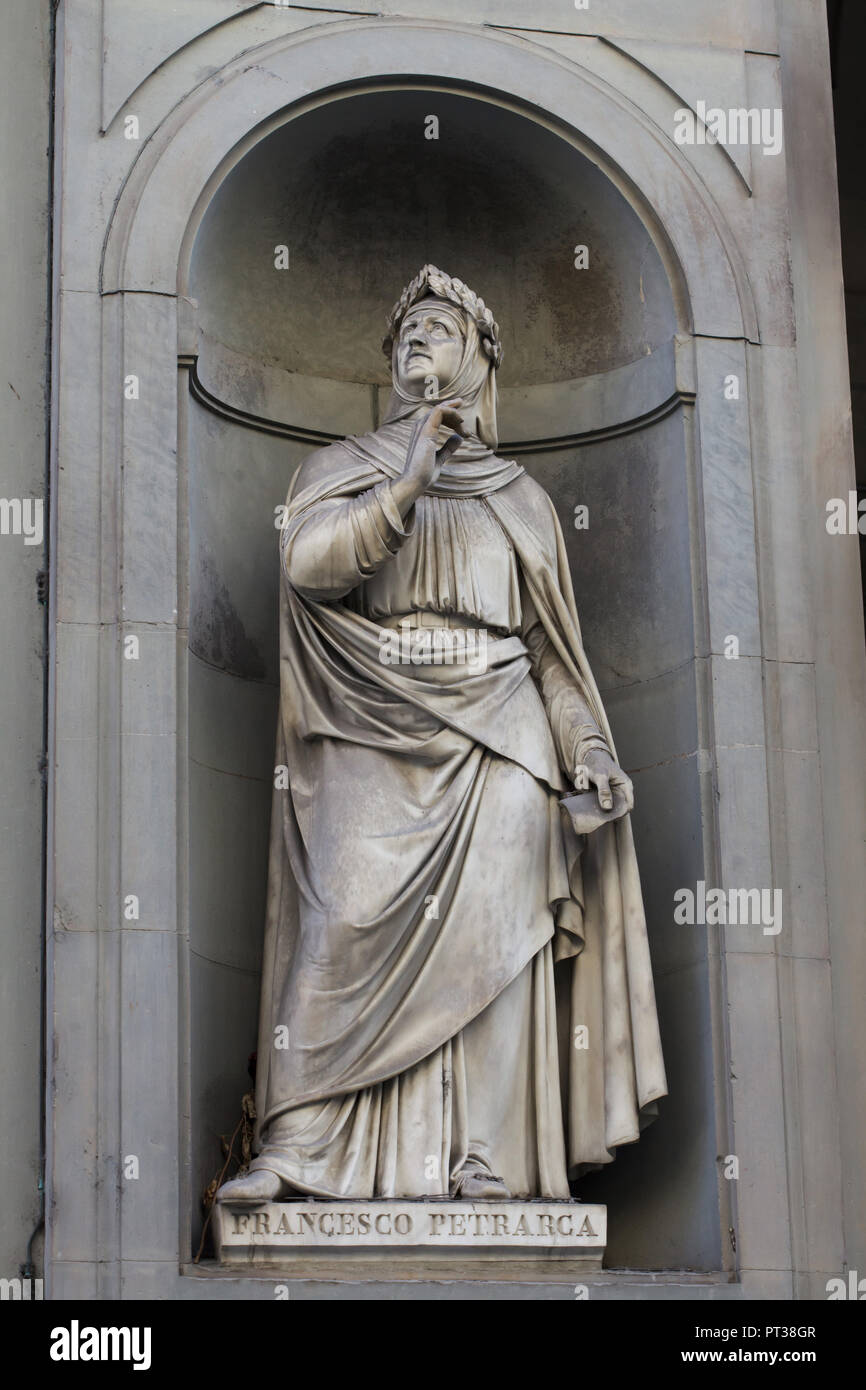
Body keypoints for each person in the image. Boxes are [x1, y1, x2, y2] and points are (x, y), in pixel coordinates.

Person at [217, 265, 666, 1205]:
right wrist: (408, 482)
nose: (417, 337)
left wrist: (586, 749)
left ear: (479, 358)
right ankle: (303, 1147)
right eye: (406, 329)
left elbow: (550, 656)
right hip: (368, 727)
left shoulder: (524, 500)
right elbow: (306, 566)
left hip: (503, 738)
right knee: (338, 919)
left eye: (438, 324)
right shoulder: (342, 467)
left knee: (501, 944)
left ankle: (488, 1157)